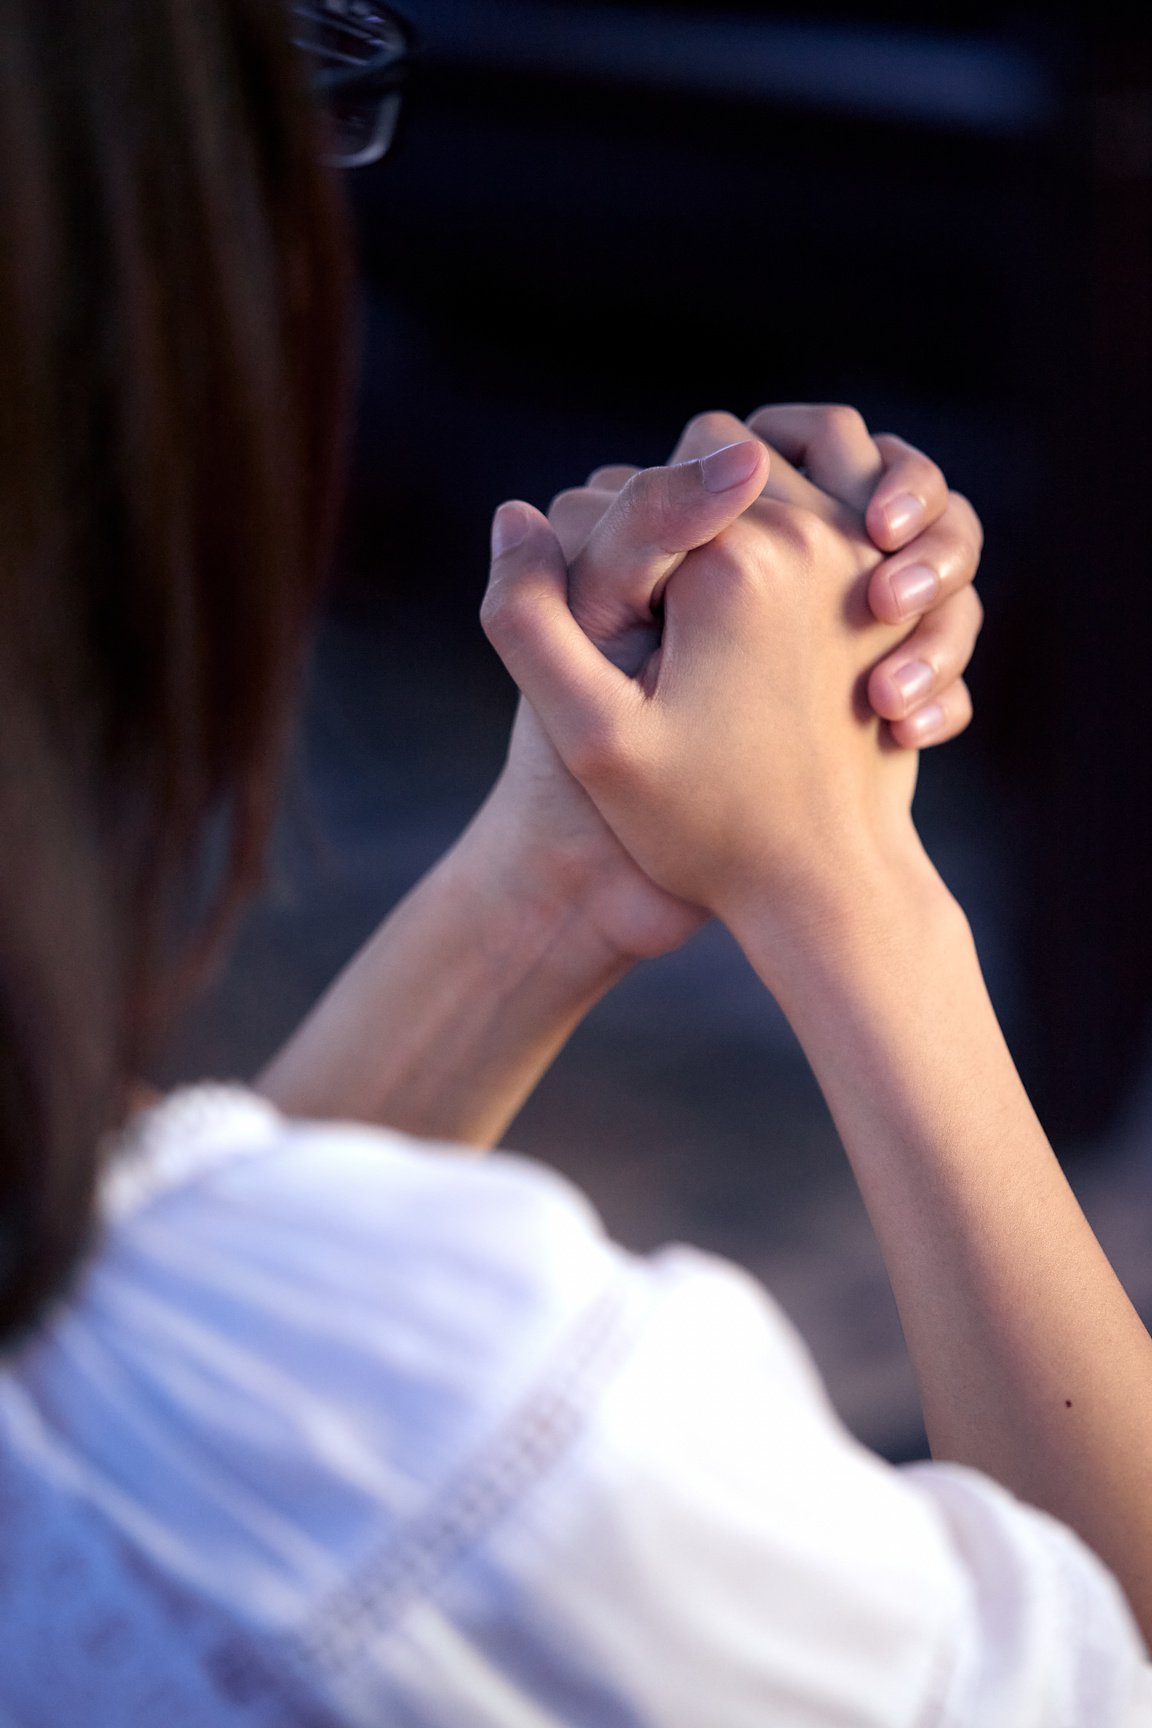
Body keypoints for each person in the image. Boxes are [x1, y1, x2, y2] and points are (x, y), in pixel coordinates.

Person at [0, 2, 1148, 1725]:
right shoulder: (496, 1437)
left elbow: (138, 1344)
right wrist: (852, 887)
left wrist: (551, 886)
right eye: (290, 100)